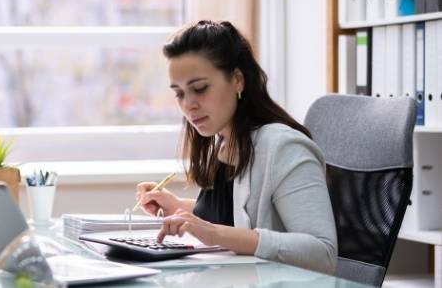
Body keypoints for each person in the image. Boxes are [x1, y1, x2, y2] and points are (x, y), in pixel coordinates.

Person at [135, 20, 337, 274]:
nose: (188, 105)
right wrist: (175, 207)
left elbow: (322, 253)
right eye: (179, 93)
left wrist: (213, 233)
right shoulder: (224, 143)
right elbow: (231, 216)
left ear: (238, 80)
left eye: (199, 88)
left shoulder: (284, 148)